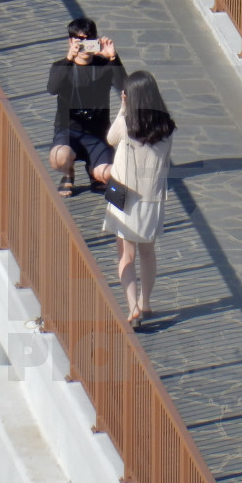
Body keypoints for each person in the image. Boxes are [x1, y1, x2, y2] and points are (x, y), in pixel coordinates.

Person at [102, 70, 175, 329]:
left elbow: (110, 139)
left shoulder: (126, 122)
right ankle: (145, 301)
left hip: (124, 197)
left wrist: (122, 110)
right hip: (152, 199)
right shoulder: (166, 127)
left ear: (129, 97)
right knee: (147, 252)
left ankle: (132, 306)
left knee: (126, 255)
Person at [47, 17, 127, 196]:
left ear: (96, 40)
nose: (84, 45)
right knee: (58, 158)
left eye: (88, 39)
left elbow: (126, 88)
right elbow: (52, 88)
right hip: (69, 132)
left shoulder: (104, 65)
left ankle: (94, 171)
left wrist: (113, 58)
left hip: (98, 135)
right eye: (79, 40)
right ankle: (68, 171)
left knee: (109, 174)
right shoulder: (62, 66)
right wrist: (69, 58)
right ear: (71, 41)